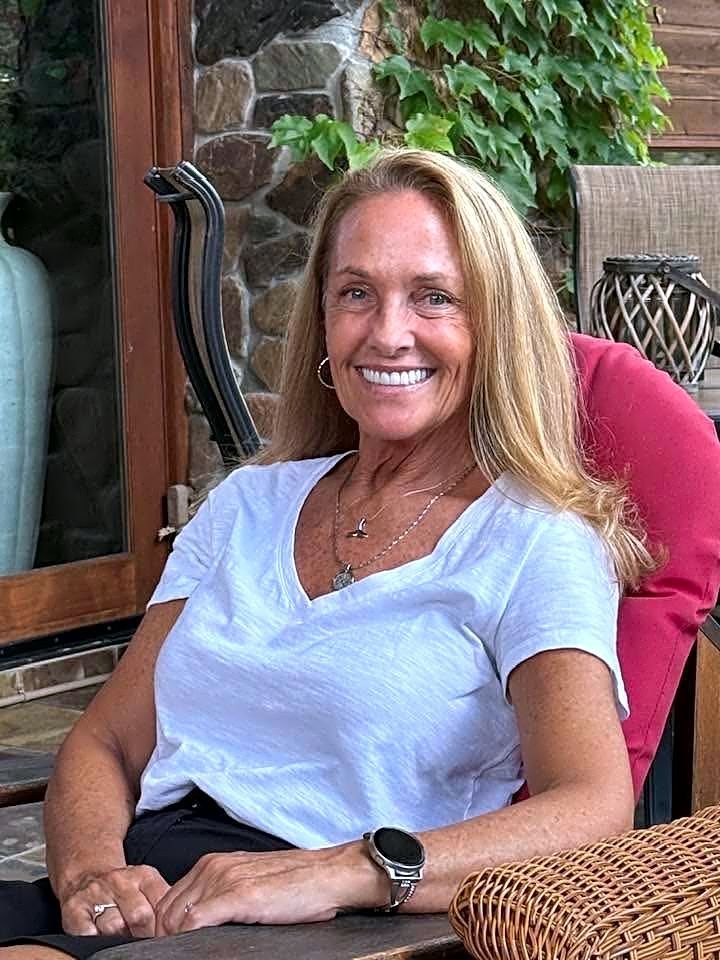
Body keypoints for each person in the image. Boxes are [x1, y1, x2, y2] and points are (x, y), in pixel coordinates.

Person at [0, 148, 655, 960]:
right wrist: (91, 875)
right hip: (147, 898)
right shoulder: (251, 502)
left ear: (495, 325)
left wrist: (345, 871)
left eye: (434, 298)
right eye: (356, 294)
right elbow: (105, 742)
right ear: (322, 318)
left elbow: (594, 805)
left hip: (317, 933)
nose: (387, 333)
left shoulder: (533, 541)